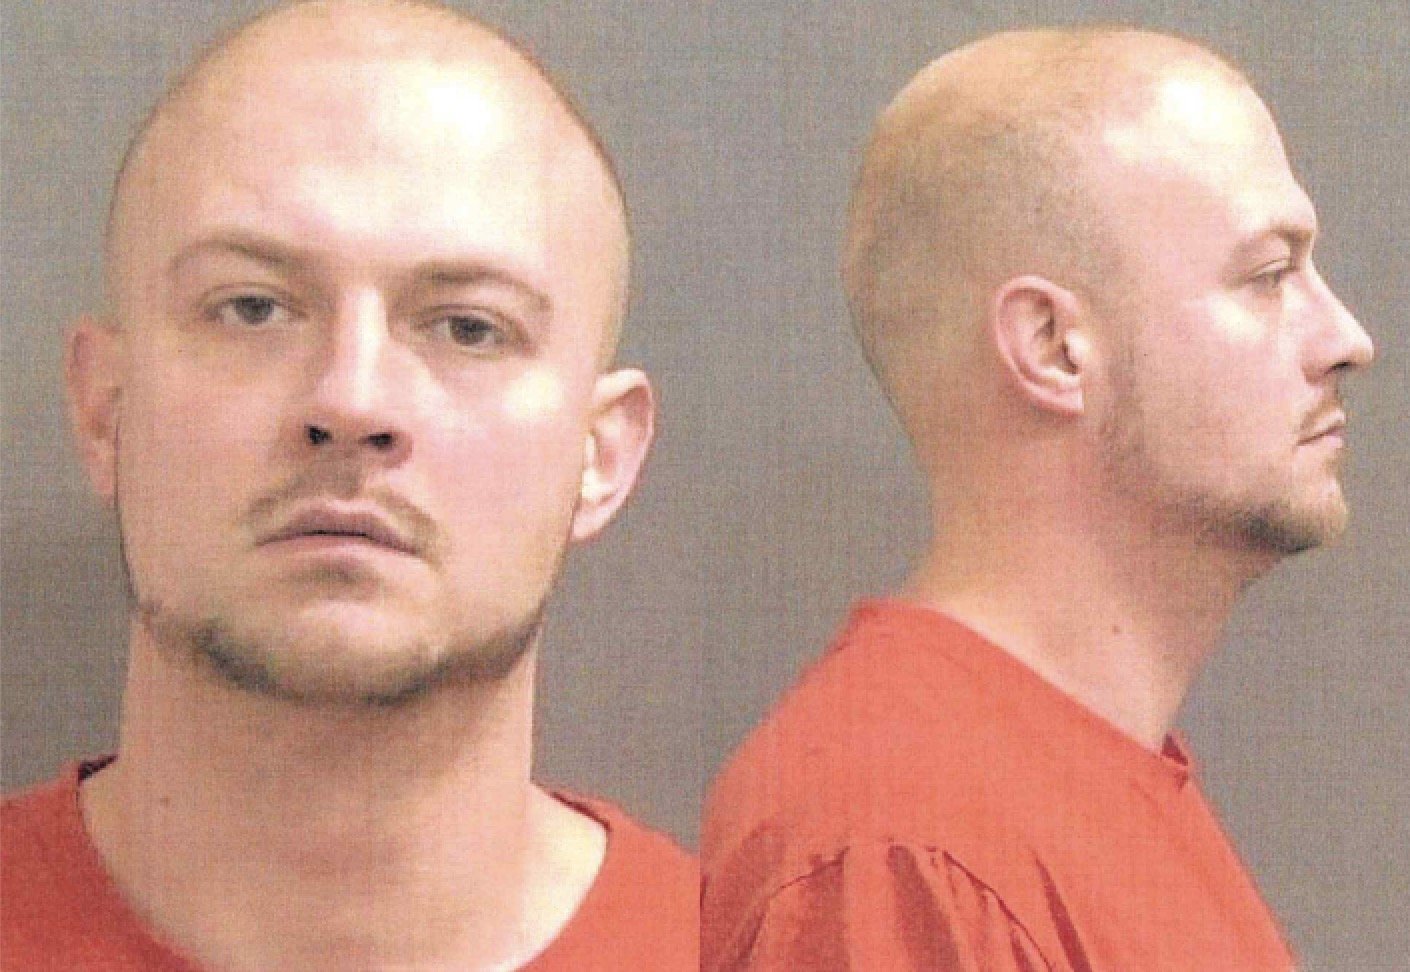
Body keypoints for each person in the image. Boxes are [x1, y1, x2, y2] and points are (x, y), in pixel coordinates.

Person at [1, 1, 697, 969]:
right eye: (251, 308)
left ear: (602, 453)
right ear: (103, 409)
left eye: (467, 327)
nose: (352, 399)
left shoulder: (771, 949)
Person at [702, 26, 1372, 971]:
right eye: (1268, 277)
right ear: (1055, 347)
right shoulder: (899, 843)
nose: (1345, 337)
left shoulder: (1062, 792)